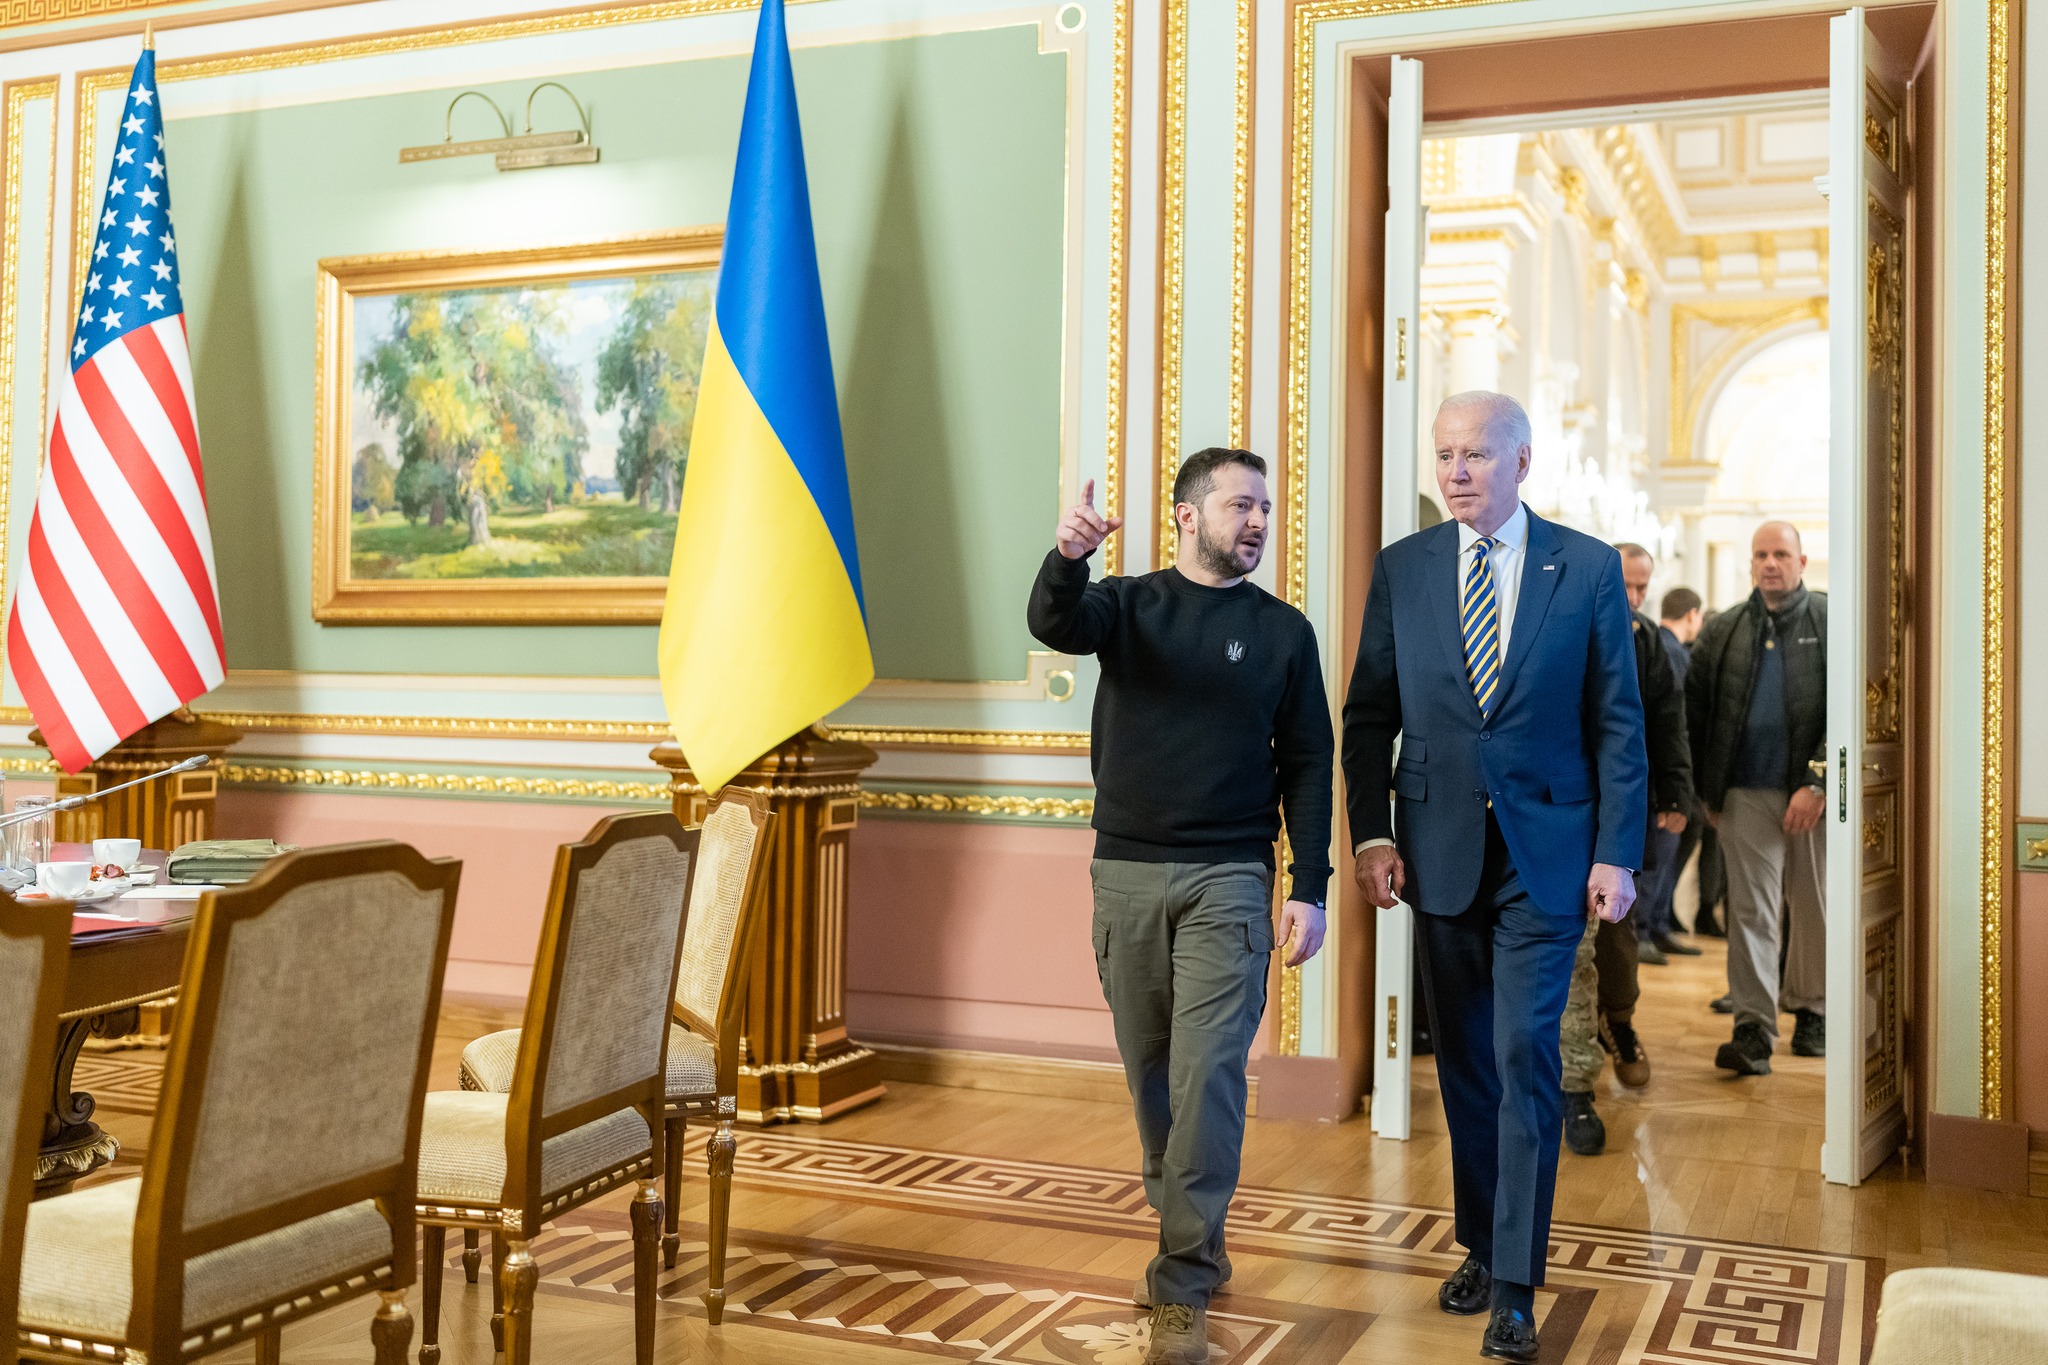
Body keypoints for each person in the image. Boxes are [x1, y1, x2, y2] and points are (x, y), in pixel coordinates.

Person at [1342, 392, 1646, 1363]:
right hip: (1434, 854)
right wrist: (1368, 835)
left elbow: (1616, 724)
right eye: (1444, 455)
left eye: (1474, 454)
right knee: (1464, 1064)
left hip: (1546, 856)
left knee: (1523, 1057)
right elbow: (1366, 717)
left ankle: (1513, 1283)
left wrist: (1614, 851)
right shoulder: (1403, 569)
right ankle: (1477, 1241)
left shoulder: (1586, 568)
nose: (1456, 471)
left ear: (1521, 462)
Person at [1028, 447, 1332, 1365]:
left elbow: (1310, 763)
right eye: (1240, 505)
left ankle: (1180, 1284)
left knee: (1210, 1078)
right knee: (1152, 1075)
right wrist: (1067, 554)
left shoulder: (1284, 632)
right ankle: (1191, 1222)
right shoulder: (1125, 605)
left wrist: (1309, 885)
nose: (1258, 522)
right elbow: (1055, 622)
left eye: (1266, 508)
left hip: (1231, 878)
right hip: (1124, 873)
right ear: (1185, 515)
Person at [1558, 544, 1693, 1157]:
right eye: (1626, 586)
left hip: (1624, 808)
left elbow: (1666, 719)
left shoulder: (1645, 640)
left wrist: (1676, 793)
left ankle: (1620, 1022)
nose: (1633, 598)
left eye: (1642, 588)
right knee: (1570, 940)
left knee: (1616, 927)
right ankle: (1569, 1078)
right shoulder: (1565, 617)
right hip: (1562, 809)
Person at [1685, 521, 1828, 1075]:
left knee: (1812, 909)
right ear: (1751, 564)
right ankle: (1752, 1028)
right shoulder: (1724, 629)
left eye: (1781, 554)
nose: (1770, 563)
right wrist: (1706, 791)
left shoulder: (1828, 619)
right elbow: (1695, 715)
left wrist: (1816, 782)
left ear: (1801, 561)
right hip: (1743, 794)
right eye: (1761, 555)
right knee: (1749, 912)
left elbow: (1848, 708)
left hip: (1810, 799)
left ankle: (1812, 1012)